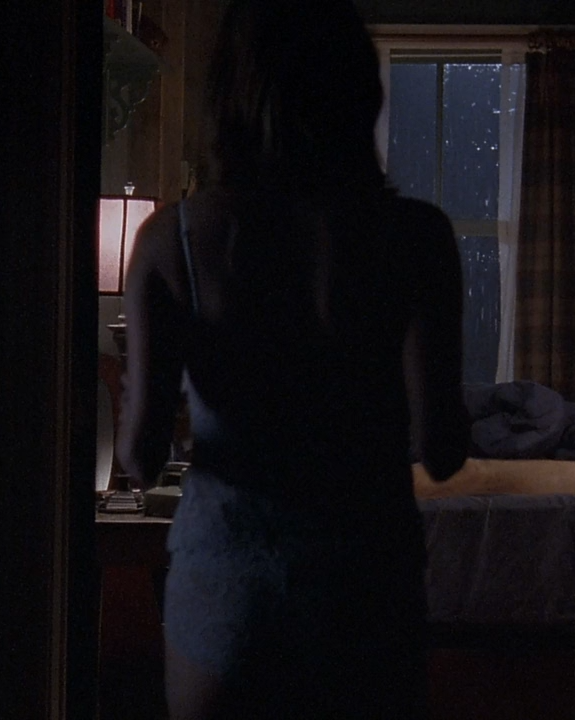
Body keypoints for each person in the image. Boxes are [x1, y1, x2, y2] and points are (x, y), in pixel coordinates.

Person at [116, 1, 470, 717]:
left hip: (228, 597)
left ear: (231, 94)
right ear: (359, 91)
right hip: (369, 596)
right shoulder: (418, 237)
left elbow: (140, 459)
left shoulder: (171, 240)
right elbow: (441, 451)